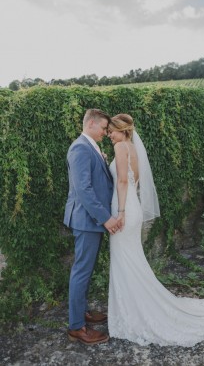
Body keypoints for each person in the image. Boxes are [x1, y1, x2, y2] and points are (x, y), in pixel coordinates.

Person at [107, 113, 204, 347]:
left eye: (111, 131)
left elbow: (122, 181)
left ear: (122, 130)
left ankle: (132, 313)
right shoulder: (132, 147)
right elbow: (133, 181)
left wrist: (120, 212)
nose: (109, 135)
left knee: (124, 260)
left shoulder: (121, 146)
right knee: (131, 259)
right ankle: (133, 308)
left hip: (124, 208)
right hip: (132, 205)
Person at [63, 108, 119, 345]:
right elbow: (83, 190)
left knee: (86, 269)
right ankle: (77, 327)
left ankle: (83, 311)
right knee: (81, 271)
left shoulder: (90, 147)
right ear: (92, 124)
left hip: (90, 220)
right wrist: (106, 218)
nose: (106, 132)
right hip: (87, 220)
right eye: (104, 128)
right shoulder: (80, 148)